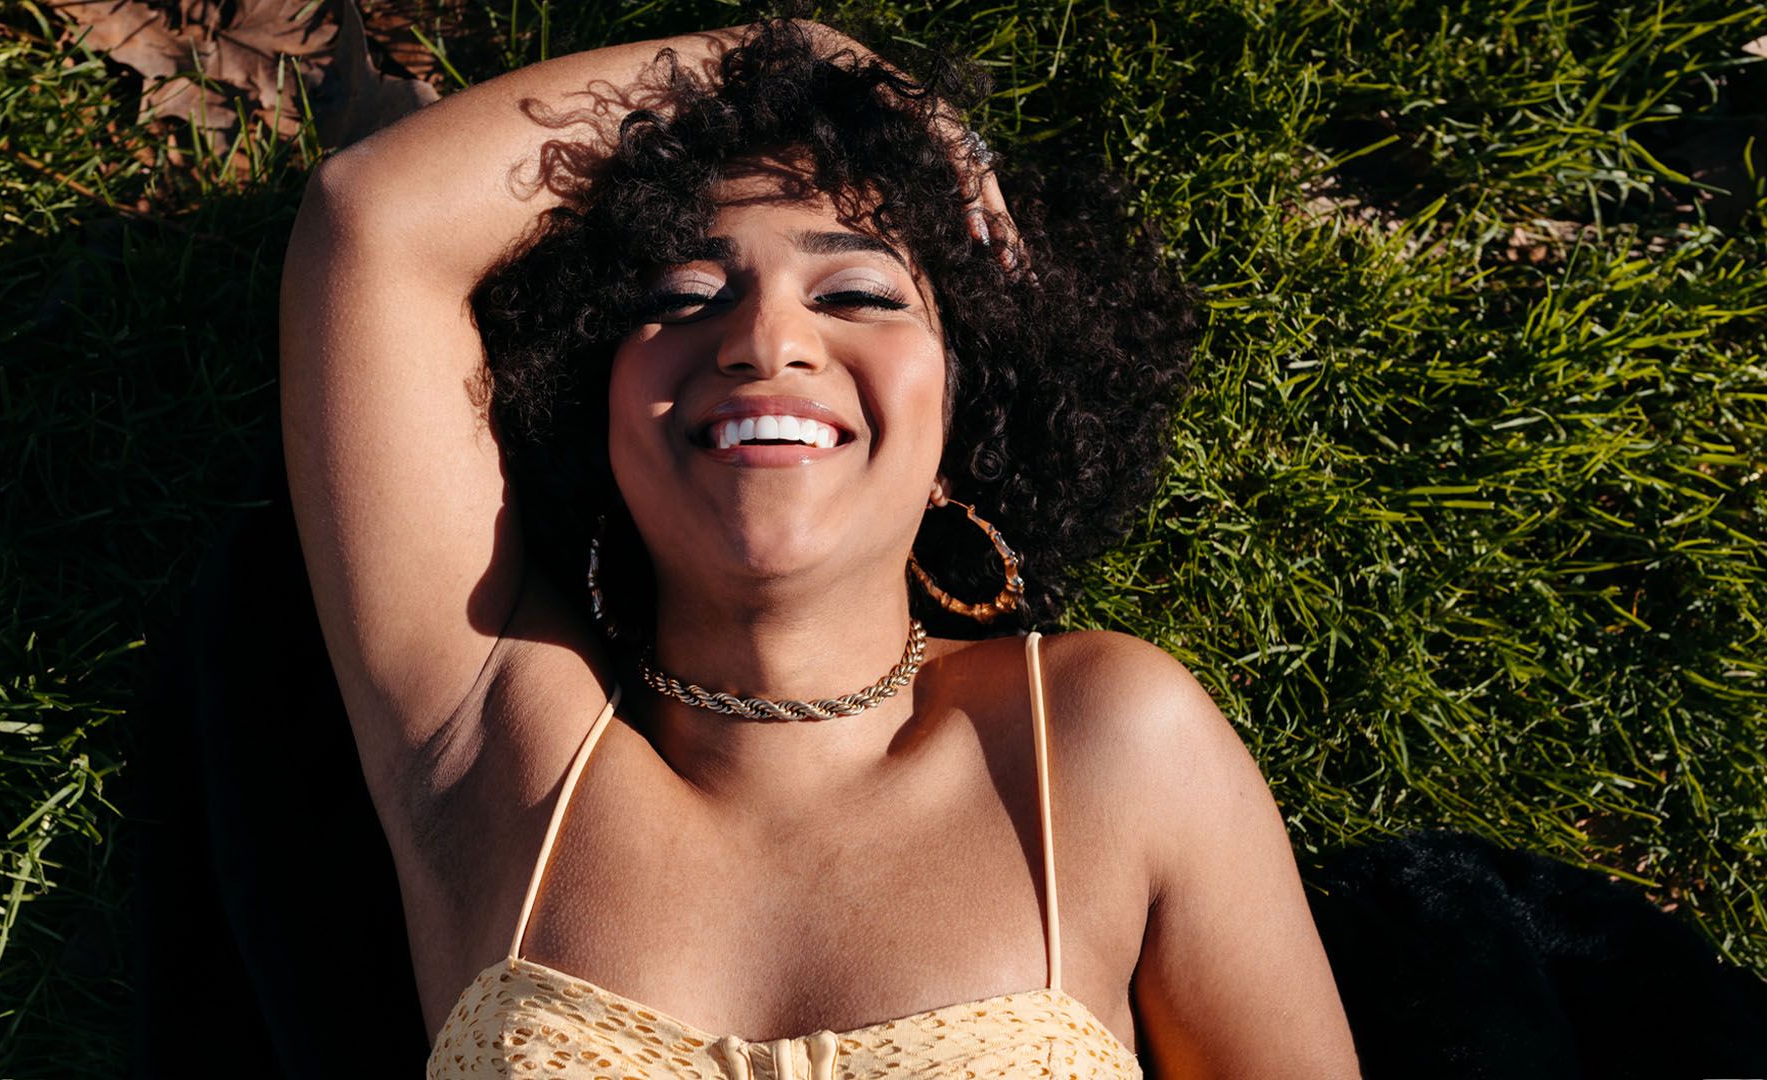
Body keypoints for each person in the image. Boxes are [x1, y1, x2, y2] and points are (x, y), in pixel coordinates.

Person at [278, 16, 1360, 1079]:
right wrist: (803, 53)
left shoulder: (1105, 742)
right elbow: (373, 217)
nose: (765, 340)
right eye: (683, 296)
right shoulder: (491, 739)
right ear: (590, 417)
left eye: (856, 293)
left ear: (961, 422)